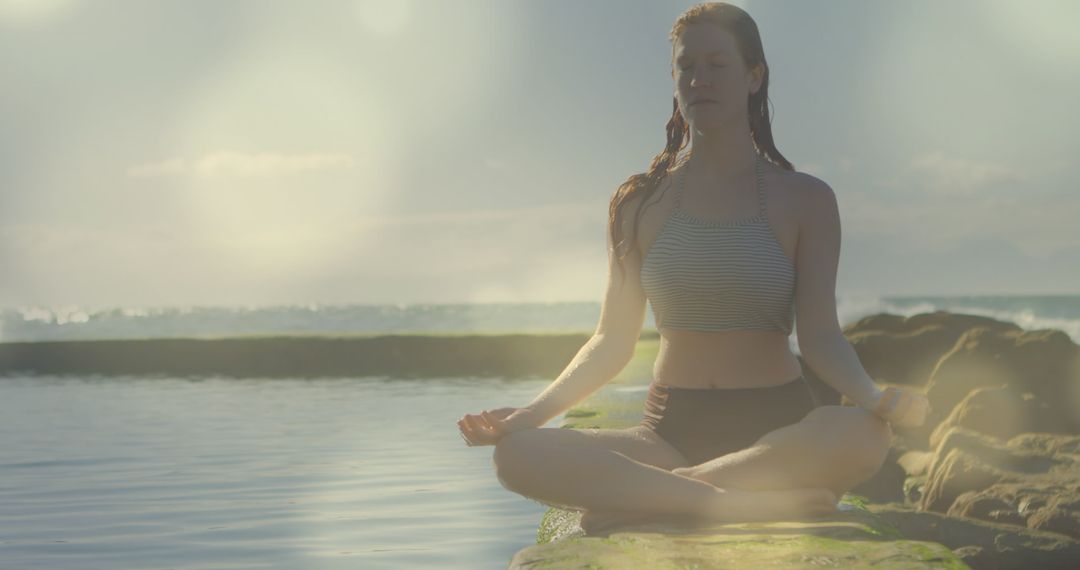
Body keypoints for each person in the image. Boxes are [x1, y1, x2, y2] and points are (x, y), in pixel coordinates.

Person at [457, 2, 930, 533]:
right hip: (667, 433)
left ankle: (658, 497)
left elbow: (820, 336)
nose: (700, 78)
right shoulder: (639, 204)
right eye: (687, 66)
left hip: (780, 429)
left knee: (864, 434)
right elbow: (612, 340)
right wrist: (529, 415)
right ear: (674, 79)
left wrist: (875, 398)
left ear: (754, 76)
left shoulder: (807, 200)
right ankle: (735, 501)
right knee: (517, 455)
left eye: (717, 64)